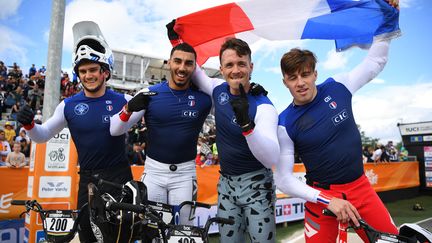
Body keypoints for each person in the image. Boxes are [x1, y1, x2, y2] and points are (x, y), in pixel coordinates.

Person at [274, 2, 400, 241]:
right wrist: (326, 200)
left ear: (315, 74)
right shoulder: (284, 123)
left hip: (361, 189)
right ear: (285, 83)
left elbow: (375, 63)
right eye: (292, 78)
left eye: (305, 74)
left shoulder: (338, 87)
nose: (300, 82)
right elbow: (283, 179)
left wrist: (387, 20)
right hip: (322, 199)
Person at [17, 21, 133, 242]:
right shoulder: (68, 105)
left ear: (105, 72)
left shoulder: (124, 100)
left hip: (119, 178)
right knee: (88, 236)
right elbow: (43, 136)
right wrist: (30, 124)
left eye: (93, 70)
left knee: (119, 237)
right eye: (83, 71)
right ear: (77, 74)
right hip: (87, 181)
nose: (88, 75)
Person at [110, 43, 212, 225]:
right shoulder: (149, 94)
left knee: (182, 231)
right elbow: (115, 129)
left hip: (184, 175)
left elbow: (228, 93)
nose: (182, 68)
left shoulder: (204, 98)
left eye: (188, 63)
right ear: (168, 63)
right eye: (177, 61)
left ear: (194, 67)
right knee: (151, 230)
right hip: (154, 173)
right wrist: (128, 108)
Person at [192, 38, 279, 242]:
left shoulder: (264, 106)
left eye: (241, 63)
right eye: (229, 65)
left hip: (257, 185)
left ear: (251, 66)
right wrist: (177, 39)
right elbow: (194, 69)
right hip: (226, 185)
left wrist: (247, 126)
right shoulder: (217, 89)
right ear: (221, 69)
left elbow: (271, 158)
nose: (236, 70)